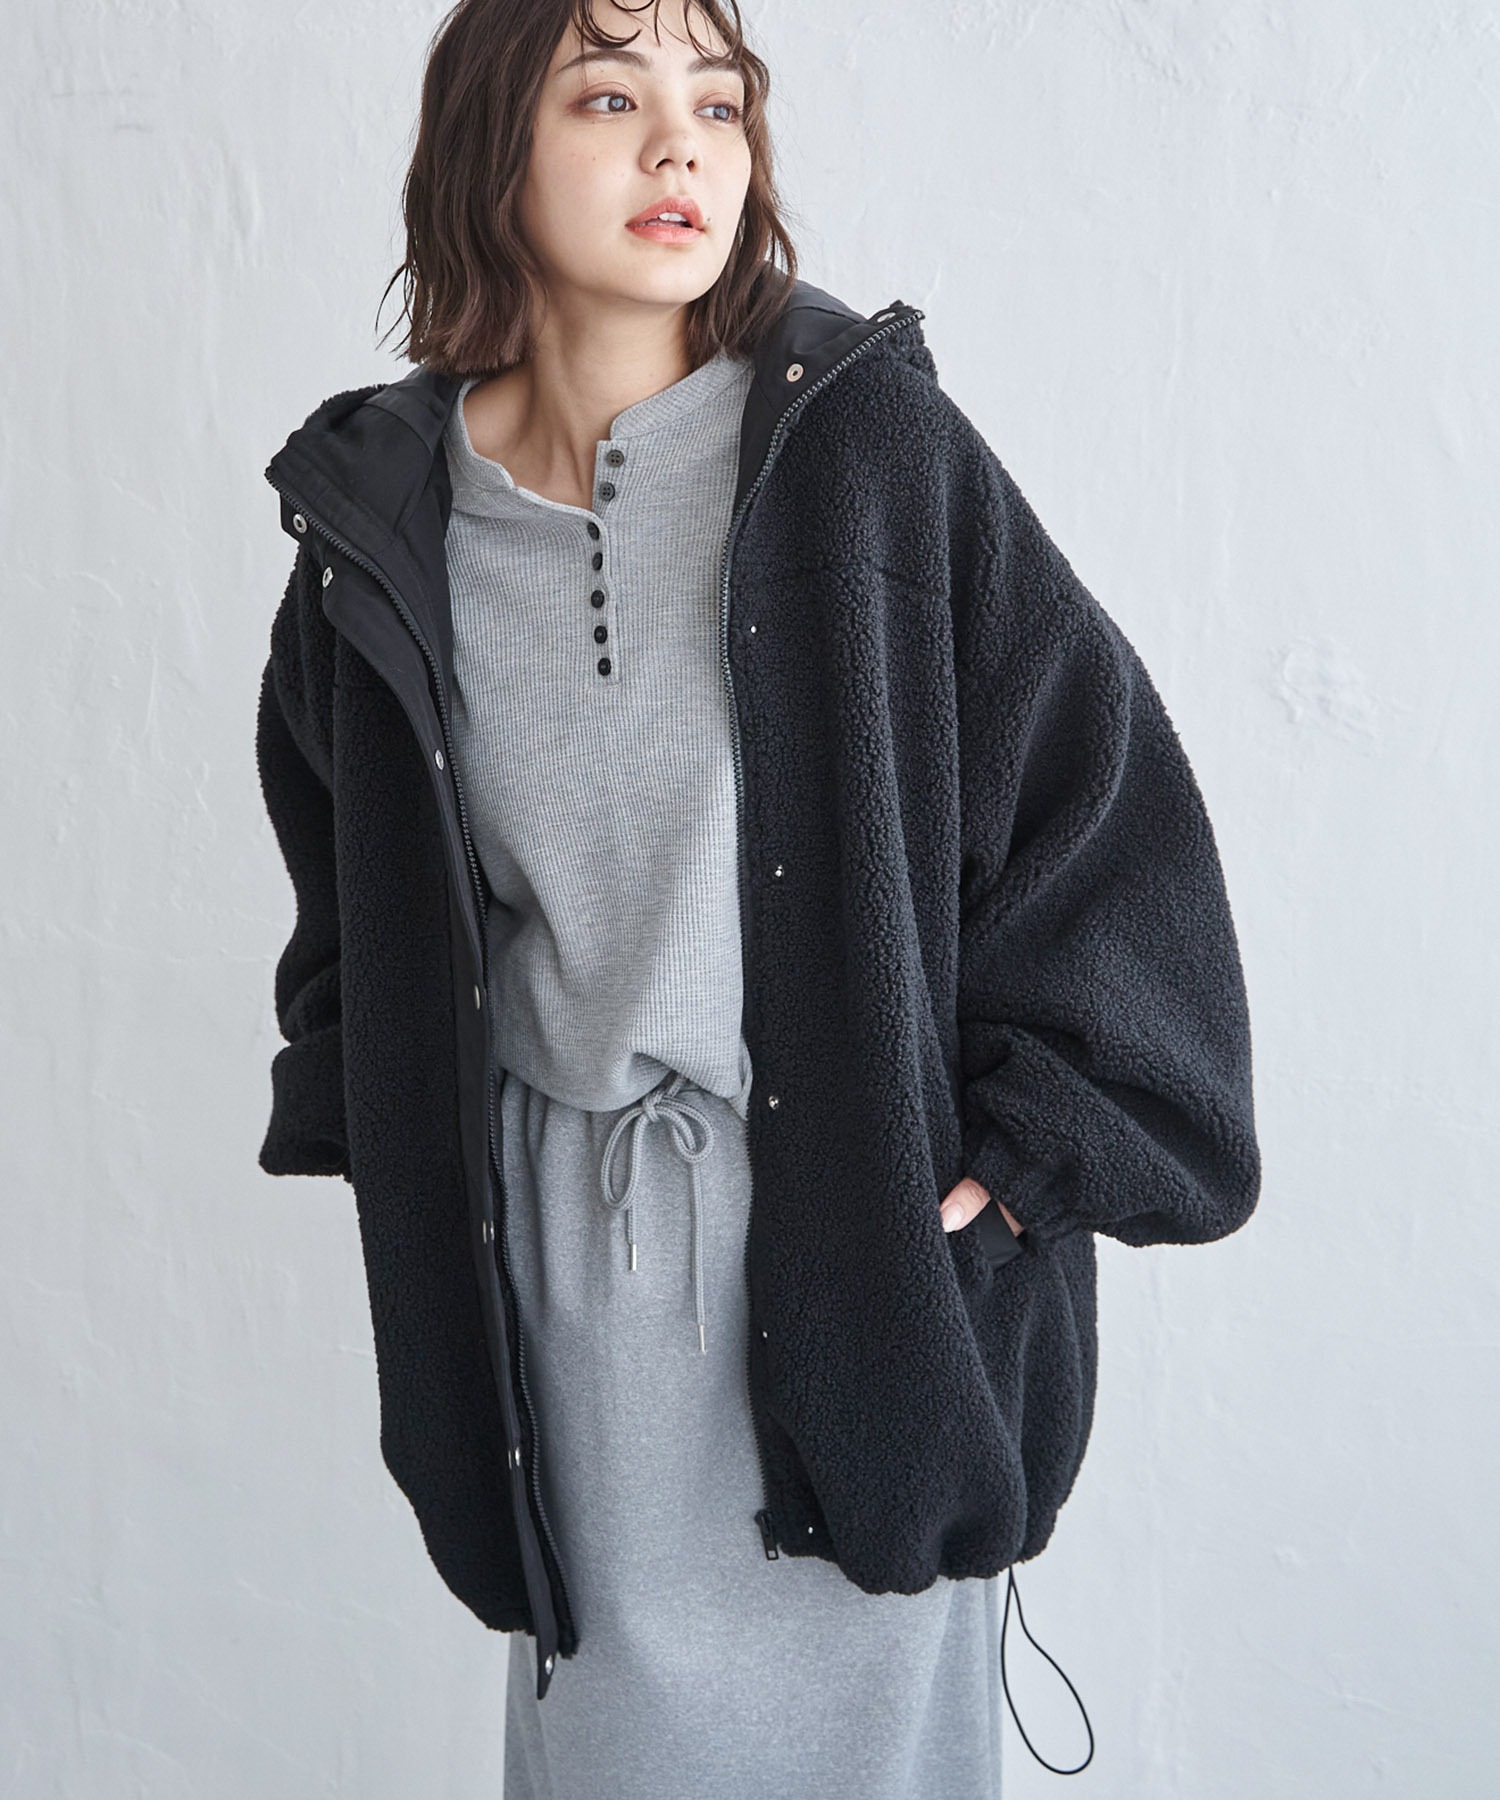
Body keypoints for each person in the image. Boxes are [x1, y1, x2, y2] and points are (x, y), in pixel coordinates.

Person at [253, 0, 1261, 1792]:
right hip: (562, 1285)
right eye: (608, 97)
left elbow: (1102, 803)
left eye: (717, 104)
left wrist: (1031, 1157)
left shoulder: (859, 452)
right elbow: (351, 873)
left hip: (856, 1255)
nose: (680, 147)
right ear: (491, 149)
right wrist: (390, 1128)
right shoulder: (384, 524)